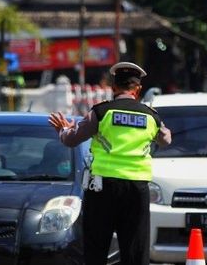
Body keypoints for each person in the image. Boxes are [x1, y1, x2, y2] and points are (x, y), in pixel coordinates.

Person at [48, 62, 171, 265]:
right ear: (138, 89)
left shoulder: (101, 112)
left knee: (96, 248)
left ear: (113, 87)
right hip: (136, 189)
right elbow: (166, 140)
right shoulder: (150, 116)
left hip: (102, 189)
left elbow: (71, 139)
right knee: (135, 249)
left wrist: (63, 130)